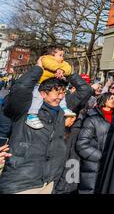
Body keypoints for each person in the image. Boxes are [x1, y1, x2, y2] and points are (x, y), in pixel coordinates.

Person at [0, 57, 91, 194]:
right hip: (21, 182)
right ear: (42, 93)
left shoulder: (62, 109)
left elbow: (85, 90)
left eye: (62, 93)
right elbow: (21, 88)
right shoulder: (25, 108)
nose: (60, 97)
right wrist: (38, 68)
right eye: (56, 92)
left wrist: (68, 71)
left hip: (48, 182)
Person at [26, 46, 76, 129]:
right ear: (51, 55)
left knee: (61, 96)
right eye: (60, 55)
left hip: (54, 86)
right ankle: (32, 115)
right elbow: (48, 64)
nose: (62, 58)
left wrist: (62, 70)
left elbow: (68, 68)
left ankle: (64, 108)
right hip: (40, 85)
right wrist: (58, 69)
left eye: (63, 55)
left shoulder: (63, 63)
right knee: (37, 98)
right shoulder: (45, 58)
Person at [76, 93, 114, 194]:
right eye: (111, 98)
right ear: (104, 101)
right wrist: (102, 156)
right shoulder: (92, 119)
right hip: (93, 166)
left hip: (111, 164)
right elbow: (82, 145)